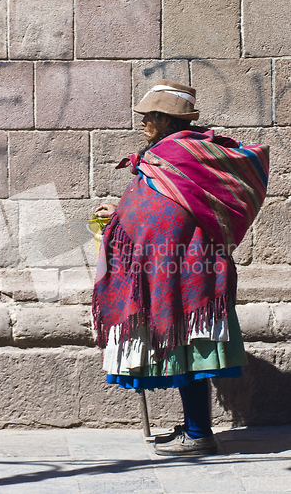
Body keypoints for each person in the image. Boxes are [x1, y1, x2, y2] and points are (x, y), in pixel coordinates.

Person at [92, 79, 269, 456]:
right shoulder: (178, 152)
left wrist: (125, 225)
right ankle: (194, 425)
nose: (142, 122)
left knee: (189, 347)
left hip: (184, 267)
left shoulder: (174, 154)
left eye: (149, 116)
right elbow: (162, 205)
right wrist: (122, 213)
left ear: (166, 119)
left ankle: (199, 432)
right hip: (184, 264)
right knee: (186, 349)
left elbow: (164, 217)